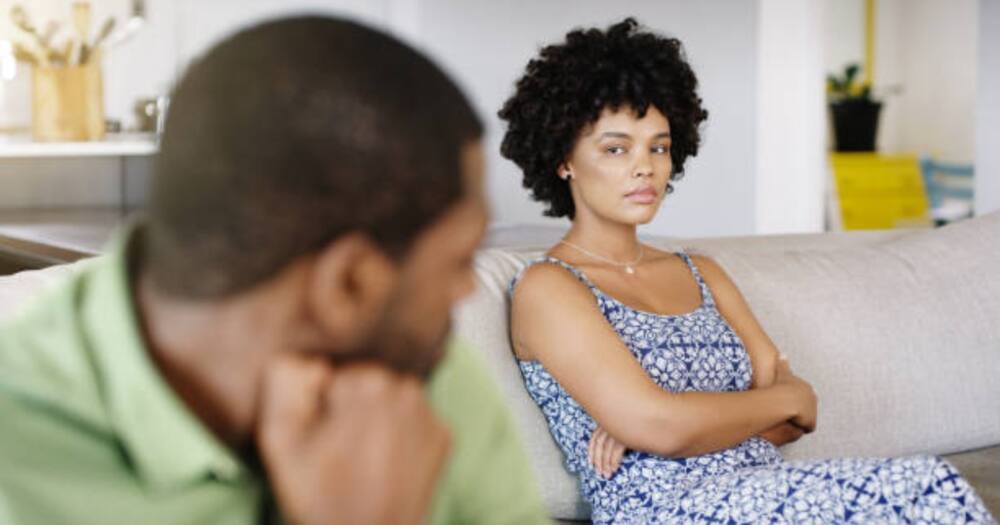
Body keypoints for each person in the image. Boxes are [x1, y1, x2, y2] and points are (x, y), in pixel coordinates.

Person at [0, 16, 551, 525]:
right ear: (349, 282)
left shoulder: (426, 371)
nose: (464, 291)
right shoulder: (18, 458)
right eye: (457, 260)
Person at [500, 17, 995, 525]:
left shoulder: (702, 273)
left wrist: (682, 420)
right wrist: (766, 399)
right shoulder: (550, 286)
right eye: (616, 148)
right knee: (919, 486)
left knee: (921, 484)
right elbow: (674, 423)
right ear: (564, 159)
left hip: (764, 488)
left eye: (660, 146)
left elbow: (799, 418)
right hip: (668, 510)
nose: (644, 166)